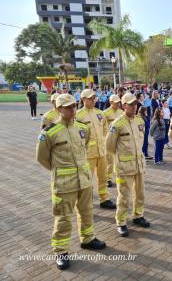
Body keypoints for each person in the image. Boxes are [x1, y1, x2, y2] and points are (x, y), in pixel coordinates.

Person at [36, 93, 106, 270]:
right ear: (59, 109)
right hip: (64, 183)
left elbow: (85, 146)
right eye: (67, 107)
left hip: (84, 180)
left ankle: (88, 239)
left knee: (87, 211)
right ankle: (61, 251)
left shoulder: (82, 127)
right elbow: (42, 158)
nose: (71, 110)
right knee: (63, 218)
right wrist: (59, 171)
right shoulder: (50, 132)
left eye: (73, 106)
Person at [106, 93, 150, 237]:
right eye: (131, 104)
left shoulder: (139, 121)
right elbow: (110, 146)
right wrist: (121, 159)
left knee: (140, 193)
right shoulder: (117, 124)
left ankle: (138, 215)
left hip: (139, 164)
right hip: (124, 167)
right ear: (123, 105)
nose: (134, 106)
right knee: (124, 196)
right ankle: (121, 222)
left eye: (135, 104)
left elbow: (141, 142)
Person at [76, 89, 116, 209]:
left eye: (94, 98)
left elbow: (105, 129)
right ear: (83, 100)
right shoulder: (78, 115)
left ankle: (104, 198)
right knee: (87, 179)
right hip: (88, 154)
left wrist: (104, 141)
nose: (93, 100)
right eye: (90, 98)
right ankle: (86, 201)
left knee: (103, 176)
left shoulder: (100, 113)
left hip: (101, 151)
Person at [103, 94, 124, 187]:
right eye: (116, 102)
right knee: (109, 160)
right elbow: (102, 126)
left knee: (120, 159)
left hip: (119, 139)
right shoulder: (105, 113)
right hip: (110, 139)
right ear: (111, 102)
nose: (118, 104)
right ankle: (108, 178)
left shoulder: (121, 112)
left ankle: (120, 176)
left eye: (119, 102)